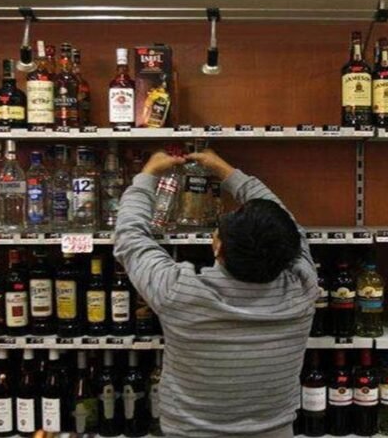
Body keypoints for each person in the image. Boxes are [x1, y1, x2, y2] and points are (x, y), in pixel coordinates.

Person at [114, 148, 318, 438]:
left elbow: (130, 237)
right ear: (290, 252)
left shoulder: (179, 292)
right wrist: (226, 170)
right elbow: (286, 225)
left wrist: (148, 174)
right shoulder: (302, 286)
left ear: (218, 248)